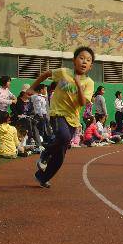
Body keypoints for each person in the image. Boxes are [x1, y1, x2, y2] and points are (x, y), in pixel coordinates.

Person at [28, 46, 95, 188]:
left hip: (73, 118)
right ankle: (45, 153)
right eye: (81, 58)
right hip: (57, 113)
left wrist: (77, 83)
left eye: (88, 60)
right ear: (74, 60)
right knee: (63, 136)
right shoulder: (64, 73)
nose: (84, 62)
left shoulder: (89, 83)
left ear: (91, 66)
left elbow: (82, 103)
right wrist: (32, 87)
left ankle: (42, 176)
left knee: (61, 154)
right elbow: (46, 74)